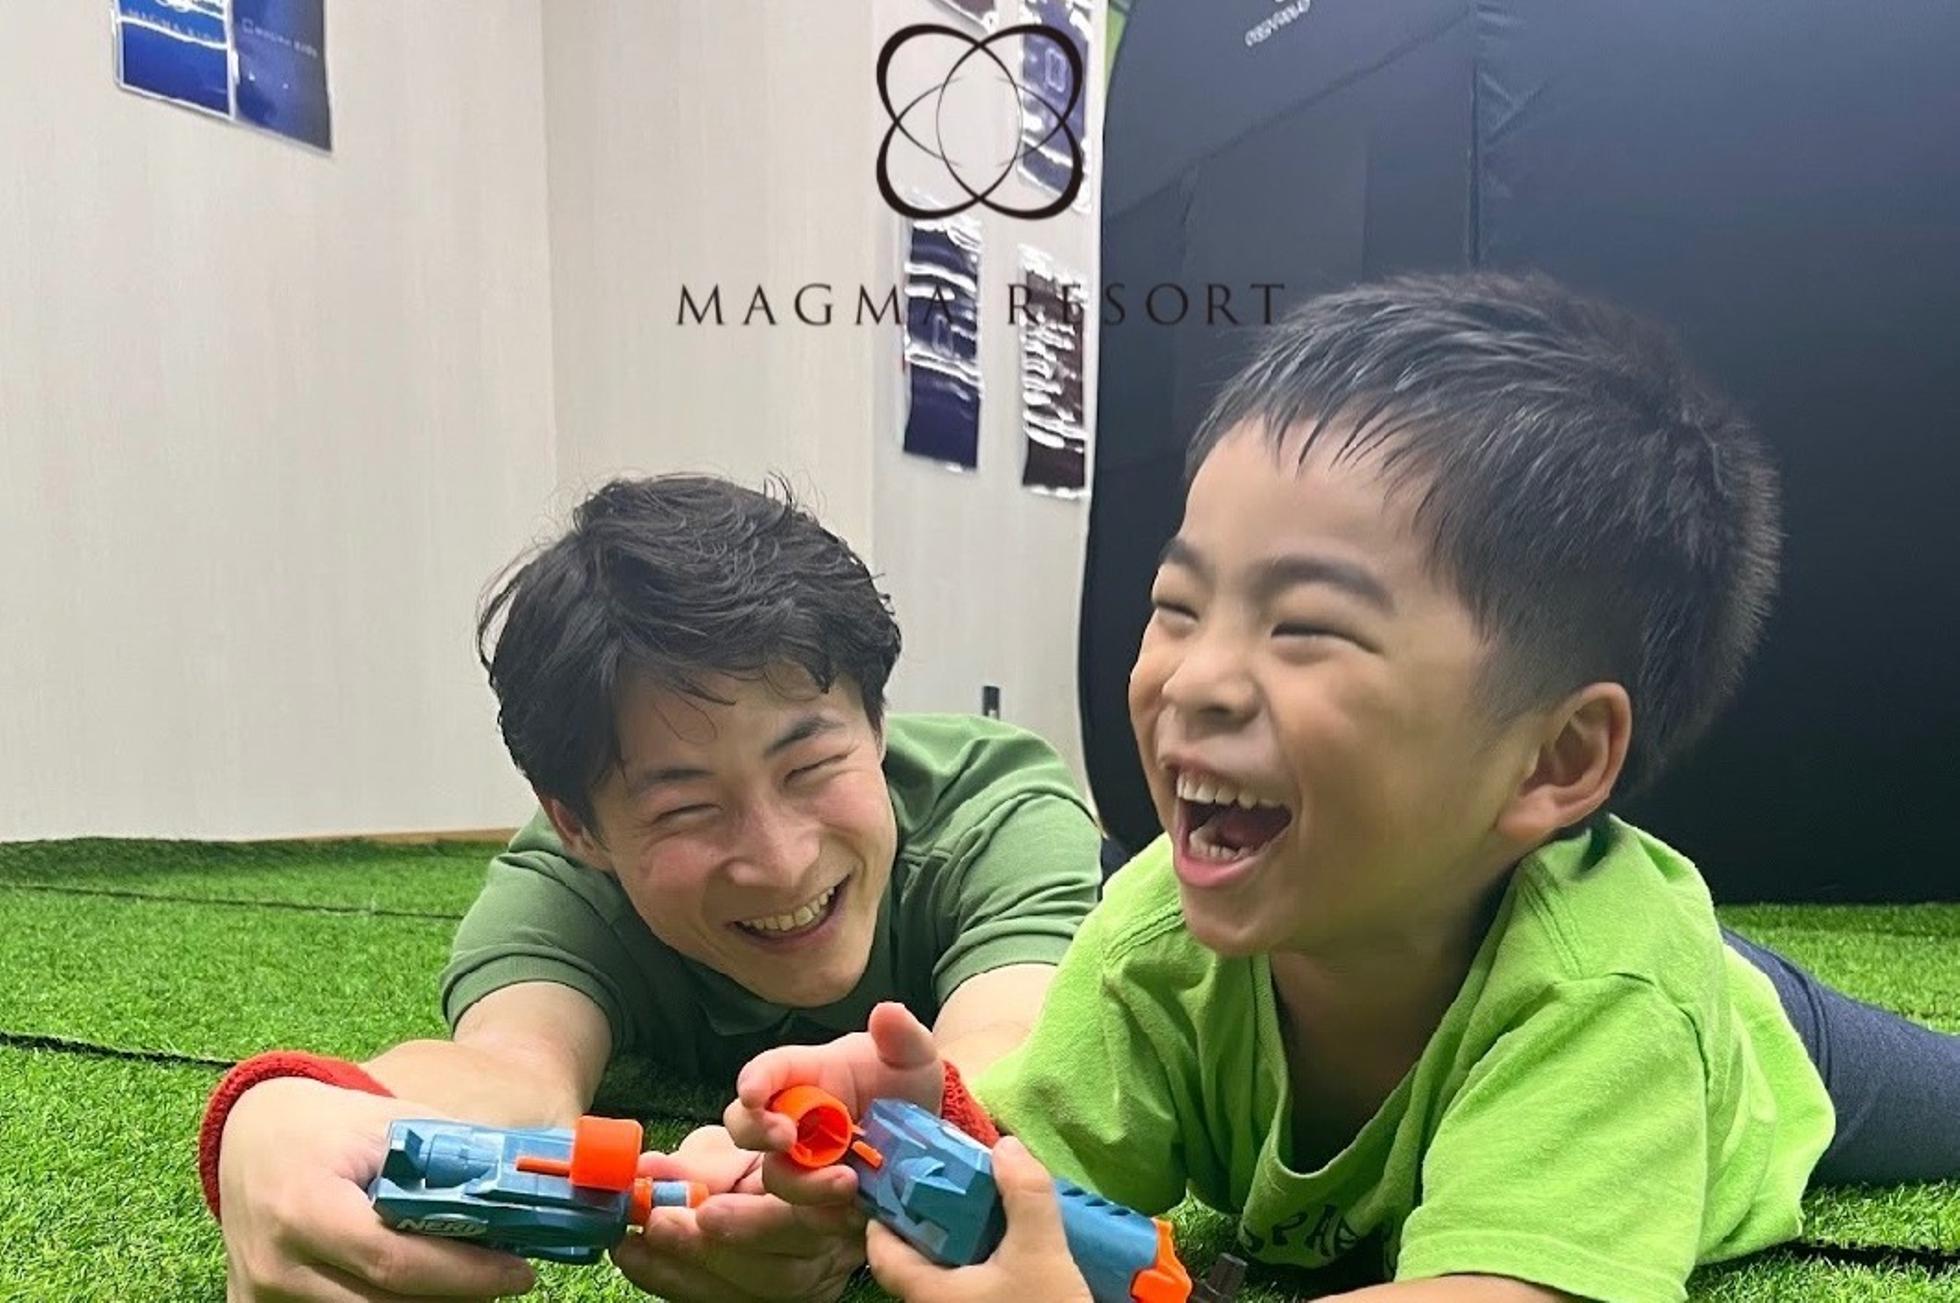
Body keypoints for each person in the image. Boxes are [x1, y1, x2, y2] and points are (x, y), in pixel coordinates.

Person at [727, 273, 1960, 1303]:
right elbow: (1031, 1175)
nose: (1195, 678)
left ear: (1554, 758)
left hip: (1742, 1030)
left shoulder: (1612, 1001)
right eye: (1177, 605)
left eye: (1306, 627)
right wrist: (917, 1137)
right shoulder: (1158, 932)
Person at [198, 475, 1104, 1303]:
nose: (782, 861)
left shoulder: (999, 811)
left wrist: (868, 1173)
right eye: (686, 809)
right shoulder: (561, 890)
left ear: (876, 723)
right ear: (578, 827)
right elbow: (509, 1068)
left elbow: (1011, 1059)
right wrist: (286, 1115)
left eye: (810, 766)